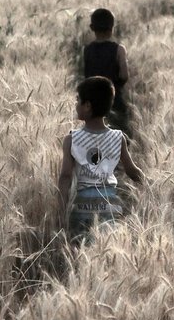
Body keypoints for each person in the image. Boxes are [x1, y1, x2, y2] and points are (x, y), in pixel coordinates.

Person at [57, 76, 145, 244]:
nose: (75, 105)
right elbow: (132, 170)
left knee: (80, 250)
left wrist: (62, 211)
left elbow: (65, 177)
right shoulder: (118, 138)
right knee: (104, 248)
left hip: (81, 207)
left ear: (87, 106)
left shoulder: (72, 139)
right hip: (108, 205)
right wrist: (149, 185)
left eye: (78, 101)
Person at [83, 8, 132, 136]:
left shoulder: (87, 50)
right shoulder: (119, 49)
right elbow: (124, 75)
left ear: (92, 27)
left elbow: (87, 76)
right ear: (112, 27)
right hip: (114, 101)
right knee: (121, 135)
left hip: (93, 103)